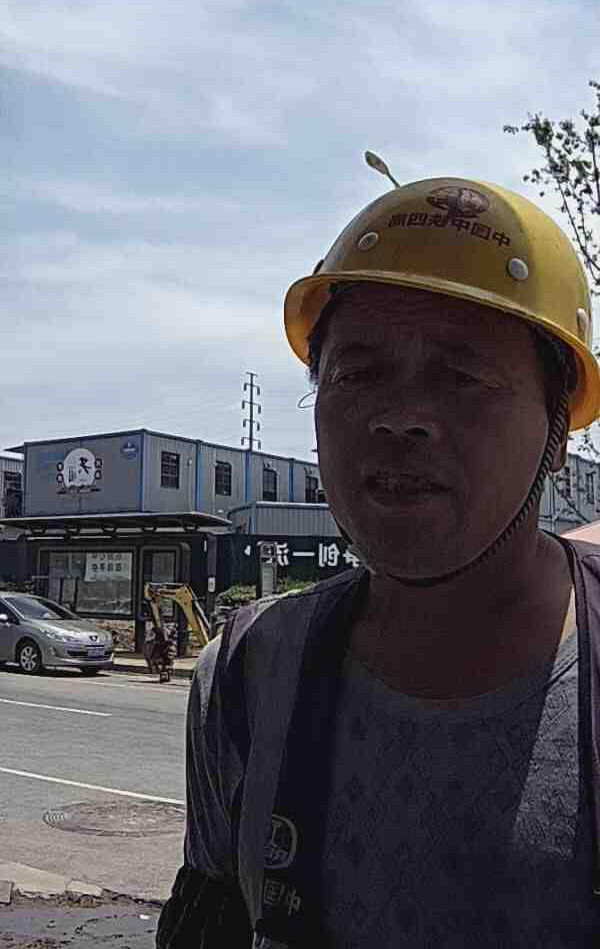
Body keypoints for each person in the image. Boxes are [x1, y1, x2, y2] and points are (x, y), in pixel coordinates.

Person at [158, 174, 600, 947]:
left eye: (462, 376)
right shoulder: (248, 673)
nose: (401, 418)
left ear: (558, 430)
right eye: (358, 373)